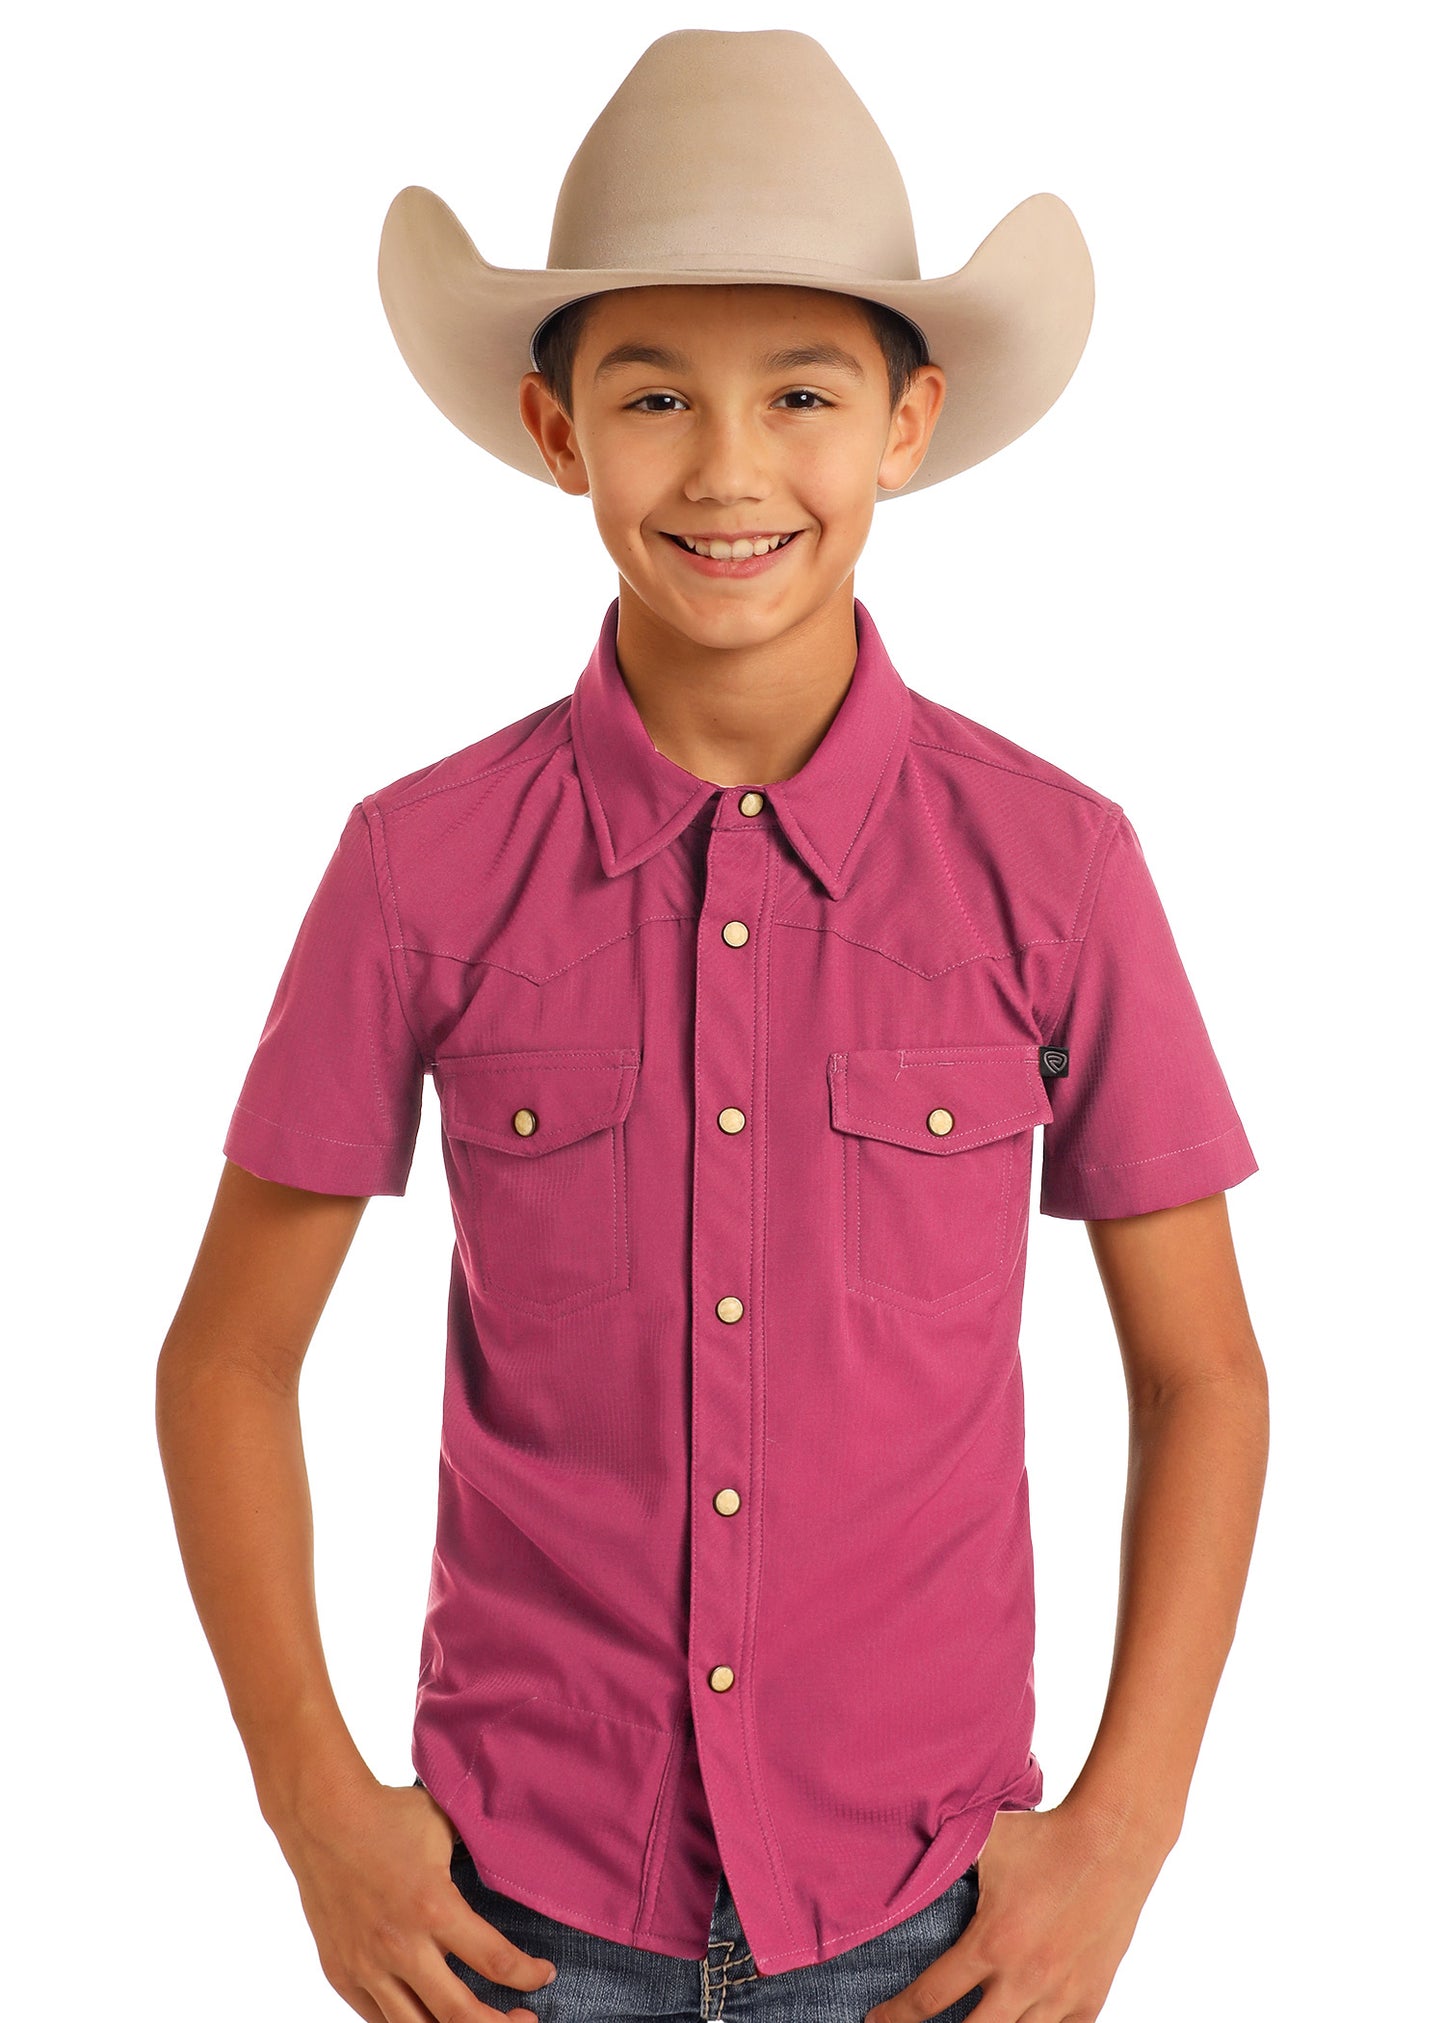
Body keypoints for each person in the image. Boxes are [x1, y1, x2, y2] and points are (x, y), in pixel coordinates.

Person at [156, 29, 1269, 2023]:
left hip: (934, 1929)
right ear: (559, 426)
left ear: (909, 422)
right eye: (655, 394)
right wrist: (317, 1809)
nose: (733, 469)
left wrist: (1126, 1830)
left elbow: (1204, 1377)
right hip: (515, 1928)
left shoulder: (1059, 866)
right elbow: (226, 1360)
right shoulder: (420, 870)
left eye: (804, 395)